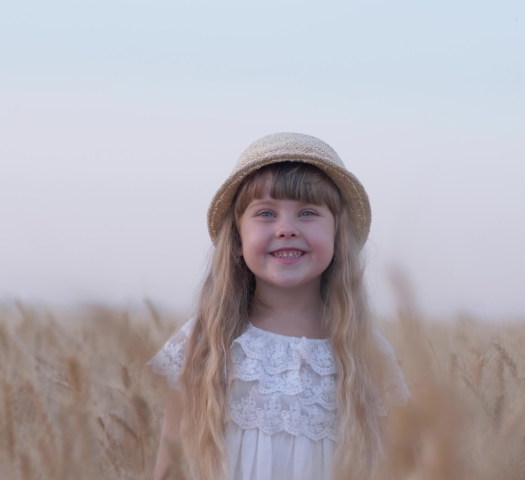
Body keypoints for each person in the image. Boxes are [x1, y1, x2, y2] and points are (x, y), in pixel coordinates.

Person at [148, 132, 410, 480]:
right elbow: (170, 464)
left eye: (307, 213)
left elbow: (396, 464)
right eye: (266, 213)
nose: (287, 229)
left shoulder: (364, 349)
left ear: (337, 237)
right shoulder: (204, 340)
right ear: (238, 241)